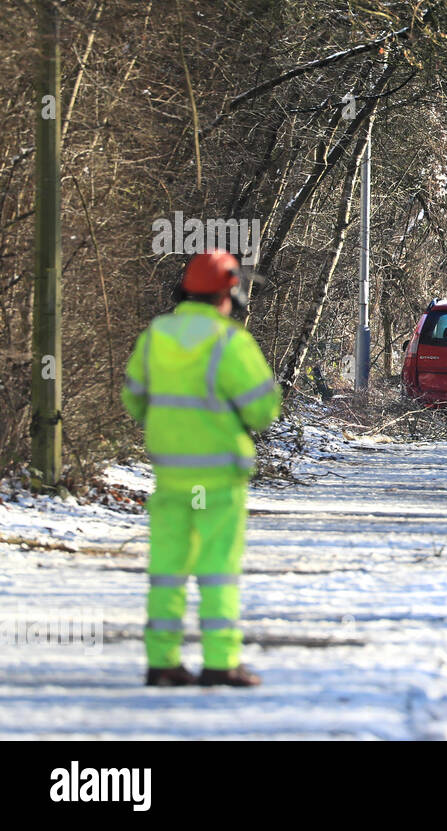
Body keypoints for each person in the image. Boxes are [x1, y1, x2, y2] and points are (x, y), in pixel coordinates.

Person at [121, 250, 281, 687]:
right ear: (228, 295)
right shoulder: (230, 342)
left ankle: (162, 663)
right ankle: (220, 662)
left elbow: (134, 398)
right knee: (216, 569)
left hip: (171, 475)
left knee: (168, 569)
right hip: (216, 479)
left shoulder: (156, 335)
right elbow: (264, 409)